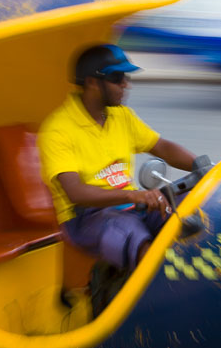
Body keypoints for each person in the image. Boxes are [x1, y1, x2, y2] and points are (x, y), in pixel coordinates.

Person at [38, 44, 196, 301]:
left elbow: (162, 146)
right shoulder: (58, 129)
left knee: (192, 208)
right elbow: (75, 192)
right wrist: (133, 197)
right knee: (136, 241)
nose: (126, 85)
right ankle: (163, 309)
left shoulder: (121, 116)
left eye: (127, 77)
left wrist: (202, 166)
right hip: (86, 219)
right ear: (91, 82)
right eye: (117, 78)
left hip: (128, 205)